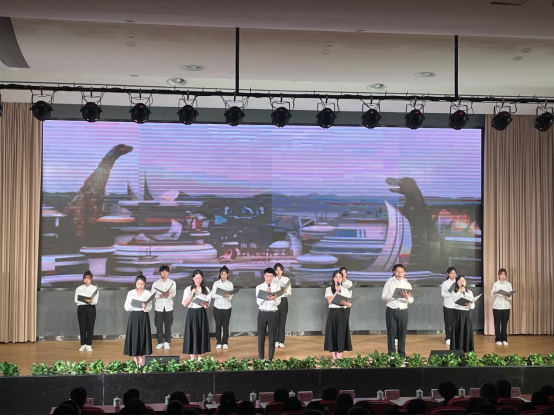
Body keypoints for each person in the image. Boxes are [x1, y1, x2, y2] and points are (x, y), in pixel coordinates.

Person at [381, 264, 413, 357]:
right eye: (398, 271)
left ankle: (402, 355)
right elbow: (383, 297)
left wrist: (407, 297)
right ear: (394, 272)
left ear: (404, 273)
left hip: (403, 311)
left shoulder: (407, 284)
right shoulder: (389, 282)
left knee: (402, 334)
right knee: (391, 333)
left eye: (401, 272)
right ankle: (391, 355)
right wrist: (393, 296)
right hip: (391, 310)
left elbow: (411, 300)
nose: (399, 273)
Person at [123, 272, 153, 365]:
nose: (140, 286)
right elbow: (126, 306)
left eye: (142, 284)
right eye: (138, 284)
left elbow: (149, 308)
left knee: (142, 336)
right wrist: (135, 305)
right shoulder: (131, 293)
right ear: (135, 283)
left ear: (145, 284)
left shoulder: (148, 293)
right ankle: (135, 358)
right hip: (134, 316)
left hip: (143, 316)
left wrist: (144, 306)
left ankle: (141, 358)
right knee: (134, 336)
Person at [182, 269, 211, 360]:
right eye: (196, 278)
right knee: (192, 333)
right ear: (193, 278)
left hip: (201, 313)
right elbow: (184, 304)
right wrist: (192, 294)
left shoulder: (206, 289)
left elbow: (208, 304)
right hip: (192, 313)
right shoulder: (188, 289)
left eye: (200, 278)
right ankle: (192, 357)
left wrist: (205, 304)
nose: (198, 280)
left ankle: (200, 357)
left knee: (201, 333)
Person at [324, 270, 352, 359]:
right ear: (333, 278)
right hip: (333, 313)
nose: (338, 279)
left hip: (342, 313)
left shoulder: (345, 290)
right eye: (336, 277)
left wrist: (345, 303)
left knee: (341, 333)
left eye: (340, 277)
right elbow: (329, 301)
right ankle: (334, 356)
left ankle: (339, 355)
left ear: (342, 279)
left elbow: (349, 305)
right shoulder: (328, 289)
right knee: (333, 333)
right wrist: (336, 291)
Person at [256, 267, 281, 360]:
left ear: (273, 276)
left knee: (272, 338)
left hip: (273, 314)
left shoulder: (277, 287)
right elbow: (258, 302)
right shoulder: (259, 287)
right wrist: (265, 295)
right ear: (264, 276)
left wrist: (274, 298)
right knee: (261, 338)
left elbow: (278, 302)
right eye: (267, 276)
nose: (268, 278)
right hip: (262, 313)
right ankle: (261, 359)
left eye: (270, 276)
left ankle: (270, 359)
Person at [152, 265, 177, 350]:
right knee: (158, 325)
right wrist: (160, 295)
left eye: (166, 271)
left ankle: (167, 342)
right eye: (162, 271)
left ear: (168, 273)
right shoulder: (155, 283)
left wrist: (168, 295)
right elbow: (152, 295)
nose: (164, 273)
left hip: (168, 306)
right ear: (160, 273)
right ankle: (159, 342)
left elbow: (174, 294)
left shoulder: (172, 282)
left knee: (168, 325)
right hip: (158, 306)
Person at [74, 270, 99, 352]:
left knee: (90, 326)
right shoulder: (79, 288)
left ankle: (89, 344)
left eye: (88, 278)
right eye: (85, 278)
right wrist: (85, 300)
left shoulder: (95, 289)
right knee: (82, 326)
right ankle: (83, 344)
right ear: (83, 279)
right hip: (81, 308)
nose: (86, 280)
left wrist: (90, 301)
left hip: (91, 308)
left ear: (91, 279)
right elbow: (76, 300)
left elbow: (95, 301)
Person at [211, 265, 234, 350]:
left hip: (227, 307)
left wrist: (228, 296)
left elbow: (231, 297)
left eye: (225, 274)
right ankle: (218, 341)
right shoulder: (216, 283)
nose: (223, 276)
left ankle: (225, 341)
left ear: (227, 275)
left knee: (225, 325)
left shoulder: (230, 284)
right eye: (222, 274)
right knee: (218, 325)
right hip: (217, 307)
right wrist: (222, 294)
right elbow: (213, 295)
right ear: (220, 274)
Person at [450, 275, 475, 353]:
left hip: (466, 314)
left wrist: (470, 305)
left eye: (463, 280)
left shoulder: (469, 292)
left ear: (466, 282)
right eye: (460, 281)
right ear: (457, 283)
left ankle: (467, 350)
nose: (462, 282)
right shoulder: (454, 292)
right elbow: (455, 300)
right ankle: (457, 350)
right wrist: (460, 292)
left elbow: (473, 306)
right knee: (458, 332)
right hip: (458, 314)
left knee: (467, 331)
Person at [491, 268, 513, 346]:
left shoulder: (509, 284)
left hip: (506, 307)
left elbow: (510, 297)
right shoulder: (495, 284)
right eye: (501, 275)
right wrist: (495, 293)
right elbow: (492, 295)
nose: (503, 276)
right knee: (497, 324)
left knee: (504, 324)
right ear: (499, 275)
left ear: (506, 275)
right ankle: (498, 339)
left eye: (504, 275)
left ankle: (504, 339)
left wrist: (507, 295)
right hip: (497, 306)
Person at [273, 263, 291, 349]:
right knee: (275, 321)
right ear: (274, 271)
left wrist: (285, 291)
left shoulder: (286, 279)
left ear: (282, 270)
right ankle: (275, 340)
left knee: (282, 321)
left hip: (283, 300)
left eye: (280, 270)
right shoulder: (272, 279)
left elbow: (289, 292)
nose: (278, 271)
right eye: (277, 270)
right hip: (275, 300)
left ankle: (281, 341)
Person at [441, 267, 457, 347]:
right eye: (451, 273)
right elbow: (442, 294)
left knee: (456, 323)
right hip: (448, 306)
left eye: (454, 273)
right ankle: (448, 338)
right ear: (448, 274)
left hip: (457, 306)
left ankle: (455, 338)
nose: (453, 275)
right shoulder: (445, 283)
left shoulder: (458, 282)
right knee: (448, 323)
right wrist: (451, 294)